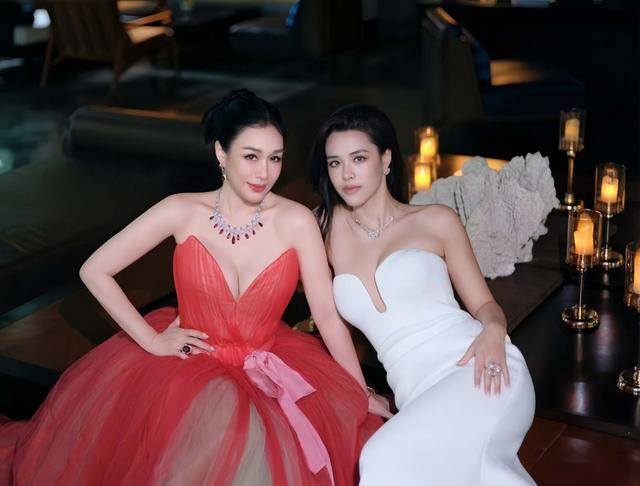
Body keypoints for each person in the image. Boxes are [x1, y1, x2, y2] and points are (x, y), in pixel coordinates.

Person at [0, 90, 387, 485]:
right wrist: (151, 340)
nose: (264, 173)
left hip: (269, 368)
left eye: (275, 158)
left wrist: (360, 392)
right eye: (250, 156)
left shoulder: (296, 221)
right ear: (221, 153)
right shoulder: (182, 210)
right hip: (187, 369)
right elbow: (95, 270)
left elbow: (327, 316)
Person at [310, 104, 536, 485]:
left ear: (385, 160)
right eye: (335, 163)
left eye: (359, 158)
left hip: (479, 368)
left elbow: (485, 305)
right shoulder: (323, 229)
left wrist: (495, 330)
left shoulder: (436, 220)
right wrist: (361, 391)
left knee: (381, 459)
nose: (346, 174)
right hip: (418, 394)